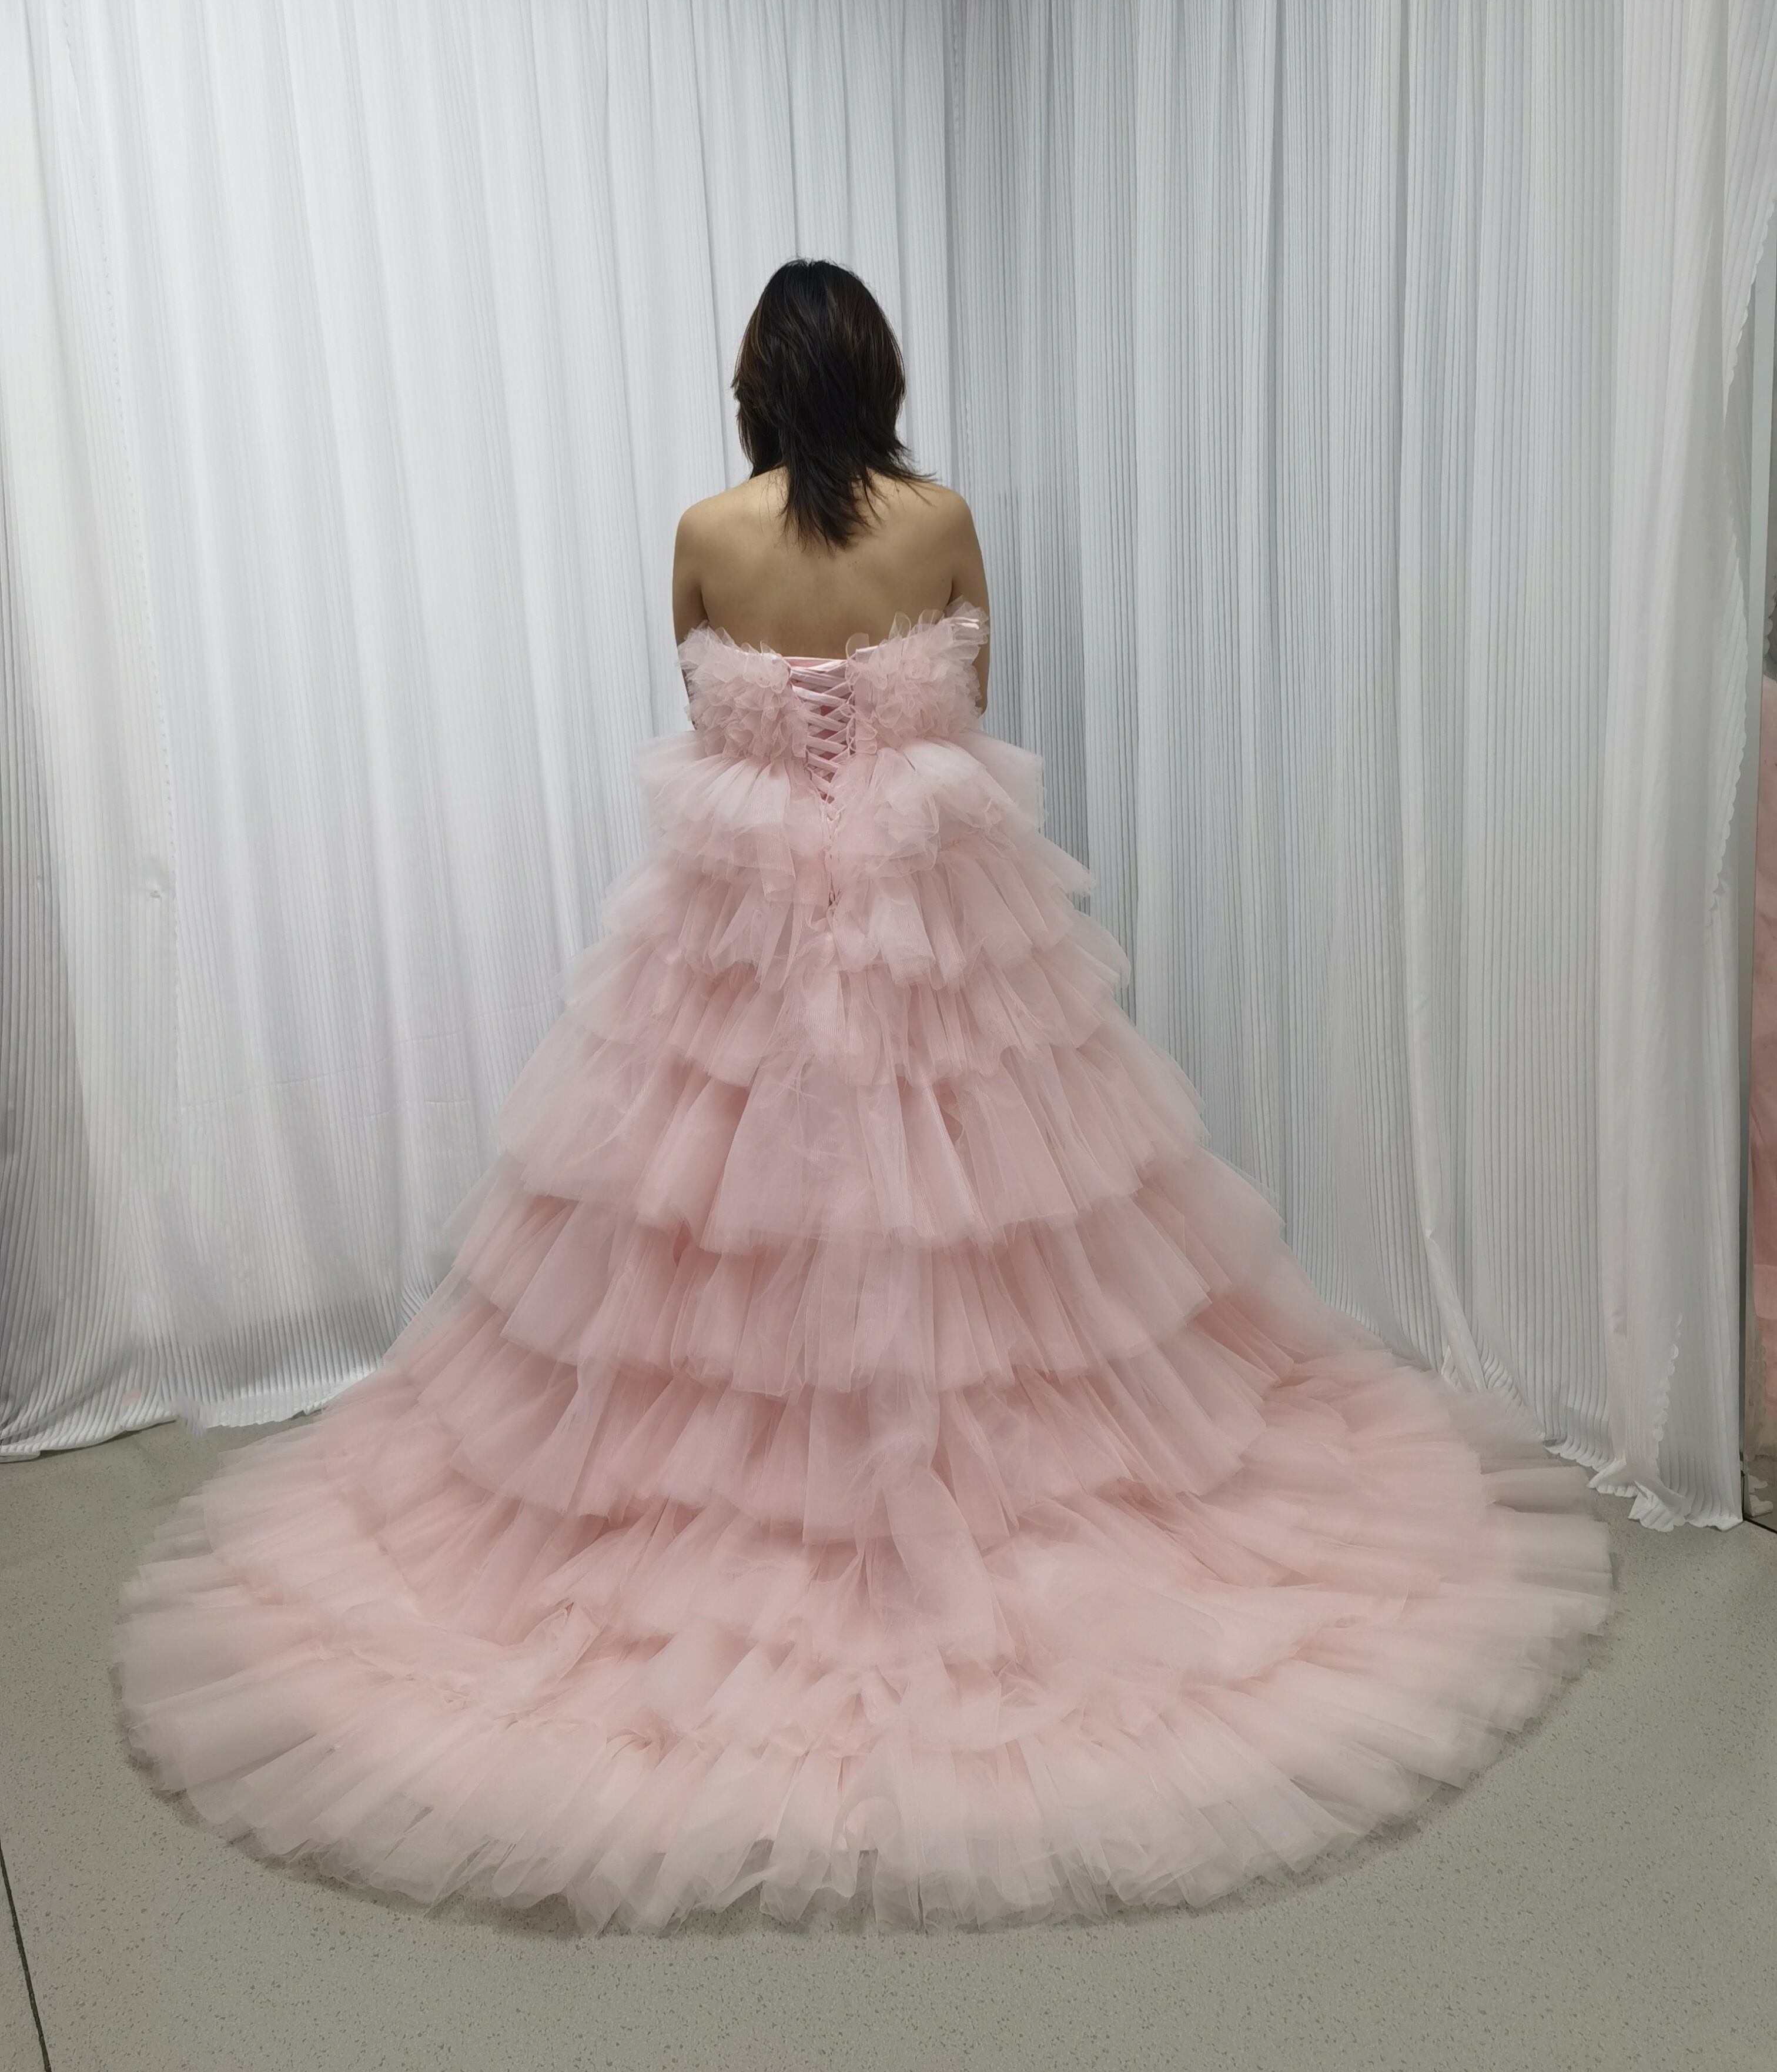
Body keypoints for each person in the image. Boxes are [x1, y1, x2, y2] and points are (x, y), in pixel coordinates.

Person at [115, 259, 1614, 1933]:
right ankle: (980, 1510)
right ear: (881, 378)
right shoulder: (943, 519)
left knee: (702, 1239)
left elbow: (702, 720)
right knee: (993, 1225)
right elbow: (972, 706)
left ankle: (727, 1526)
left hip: (737, 943)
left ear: (757, 383)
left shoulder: (706, 533)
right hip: (931, 933)